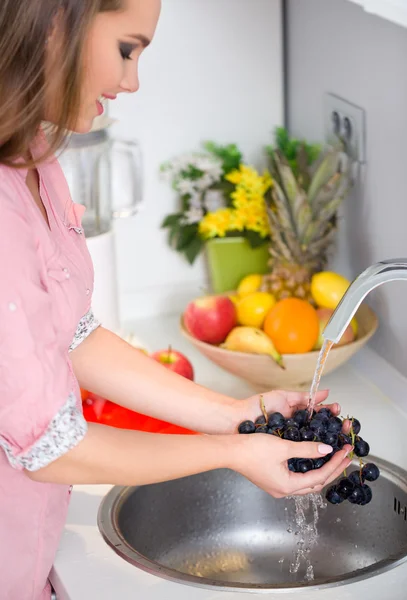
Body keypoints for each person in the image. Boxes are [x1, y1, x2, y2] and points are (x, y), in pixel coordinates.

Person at [0, 1, 353, 598]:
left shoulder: (34, 155)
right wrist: (231, 453)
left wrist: (240, 414)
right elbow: (51, 447)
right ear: (58, 23)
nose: (132, 81)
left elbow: (70, 336)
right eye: (127, 49)